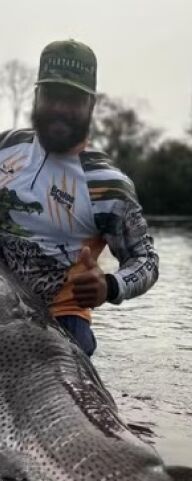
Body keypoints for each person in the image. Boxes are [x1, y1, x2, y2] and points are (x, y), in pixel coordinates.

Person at [0, 39, 158, 356]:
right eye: (52, 96)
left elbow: (146, 261)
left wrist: (110, 286)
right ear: (36, 96)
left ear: (91, 105)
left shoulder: (109, 186)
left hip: (62, 323)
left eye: (72, 99)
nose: (59, 108)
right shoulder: (6, 147)